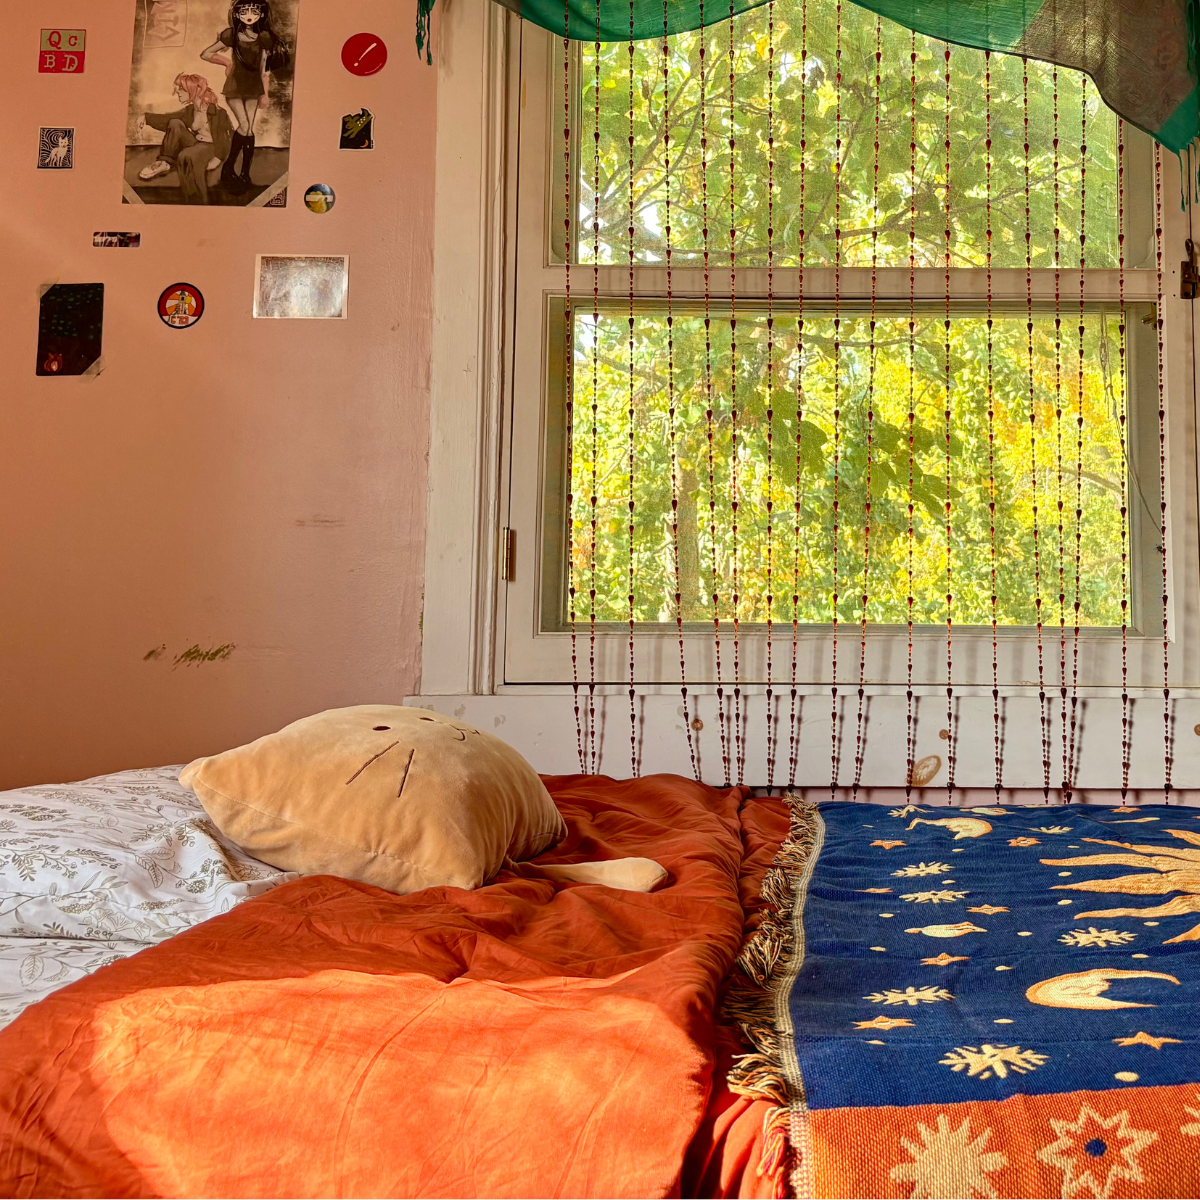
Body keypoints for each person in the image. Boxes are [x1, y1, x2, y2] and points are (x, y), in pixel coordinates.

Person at [200, 0, 290, 192]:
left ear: (261, 14)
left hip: (253, 87)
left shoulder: (264, 36)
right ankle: (230, 166)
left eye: (253, 11)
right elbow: (206, 54)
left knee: (248, 129)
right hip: (234, 85)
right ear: (238, 13)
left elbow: (264, 70)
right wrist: (226, 63)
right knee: (245, 125)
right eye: (245, 10)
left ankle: (243, 173)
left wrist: (265, 94)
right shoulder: (231, 34)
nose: (249, 14)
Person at [136, 74, 233, 205]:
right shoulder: (190, 110)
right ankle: (165, 162)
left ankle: (197, 202)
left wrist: (218, 159)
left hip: (210, 147)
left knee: (186, 155)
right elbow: (167, 120)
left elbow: (227, 136)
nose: (177, 91)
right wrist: (146, 117)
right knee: (175, 123)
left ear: (193, 90)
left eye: (181, 88)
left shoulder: (217, 112)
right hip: (196, 143)